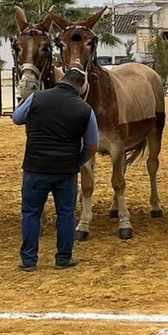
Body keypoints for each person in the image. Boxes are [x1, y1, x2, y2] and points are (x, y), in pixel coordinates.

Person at [12, 67, 98, 270]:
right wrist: (78, 160)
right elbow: (92, 144)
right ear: (82, 87)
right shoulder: (85, 109)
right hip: (66, 171)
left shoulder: (37, 98)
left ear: (62, 80)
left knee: (31, 213)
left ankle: (29, 260)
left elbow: (17, 118)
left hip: (35, 167)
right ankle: (63, 258)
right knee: (66, 214)